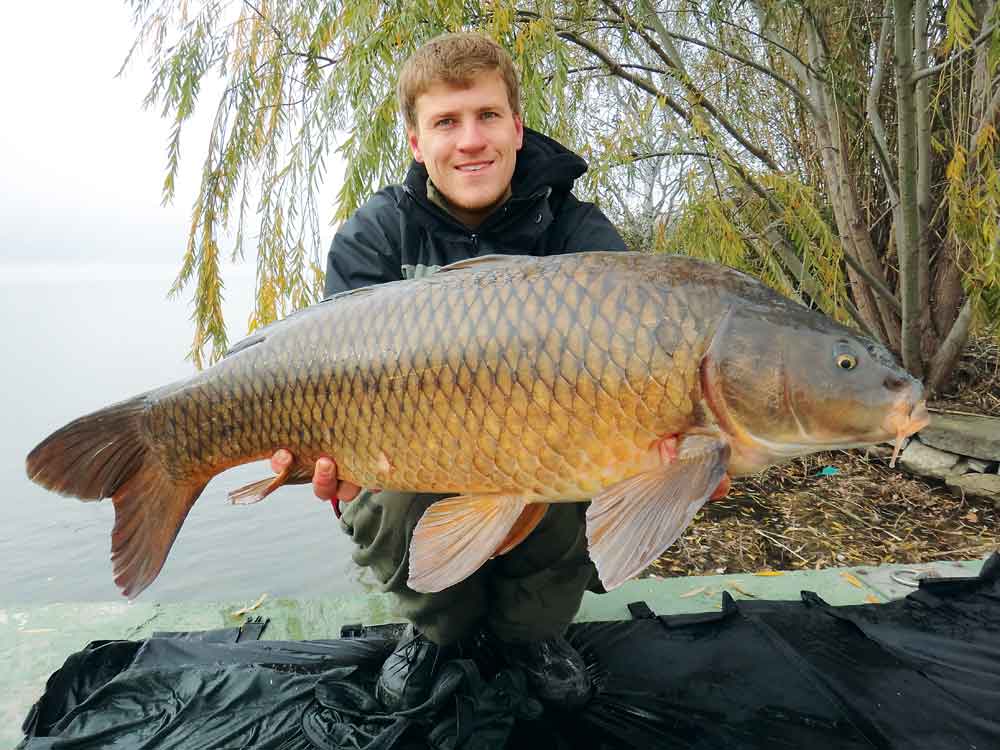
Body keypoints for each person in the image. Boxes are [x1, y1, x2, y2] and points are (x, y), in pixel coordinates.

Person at [270, 31, 627, 709]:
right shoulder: (374, 236)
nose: (471, 140)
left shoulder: (578, 237)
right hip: (410, 458)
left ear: (517, 129)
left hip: (542, 459)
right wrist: (322, 452)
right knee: (392, 491)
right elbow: (327, 380)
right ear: (415, 142)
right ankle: (438, 635)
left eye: (488, 116)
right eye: (446, 122)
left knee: (583, 472)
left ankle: (533, 635)